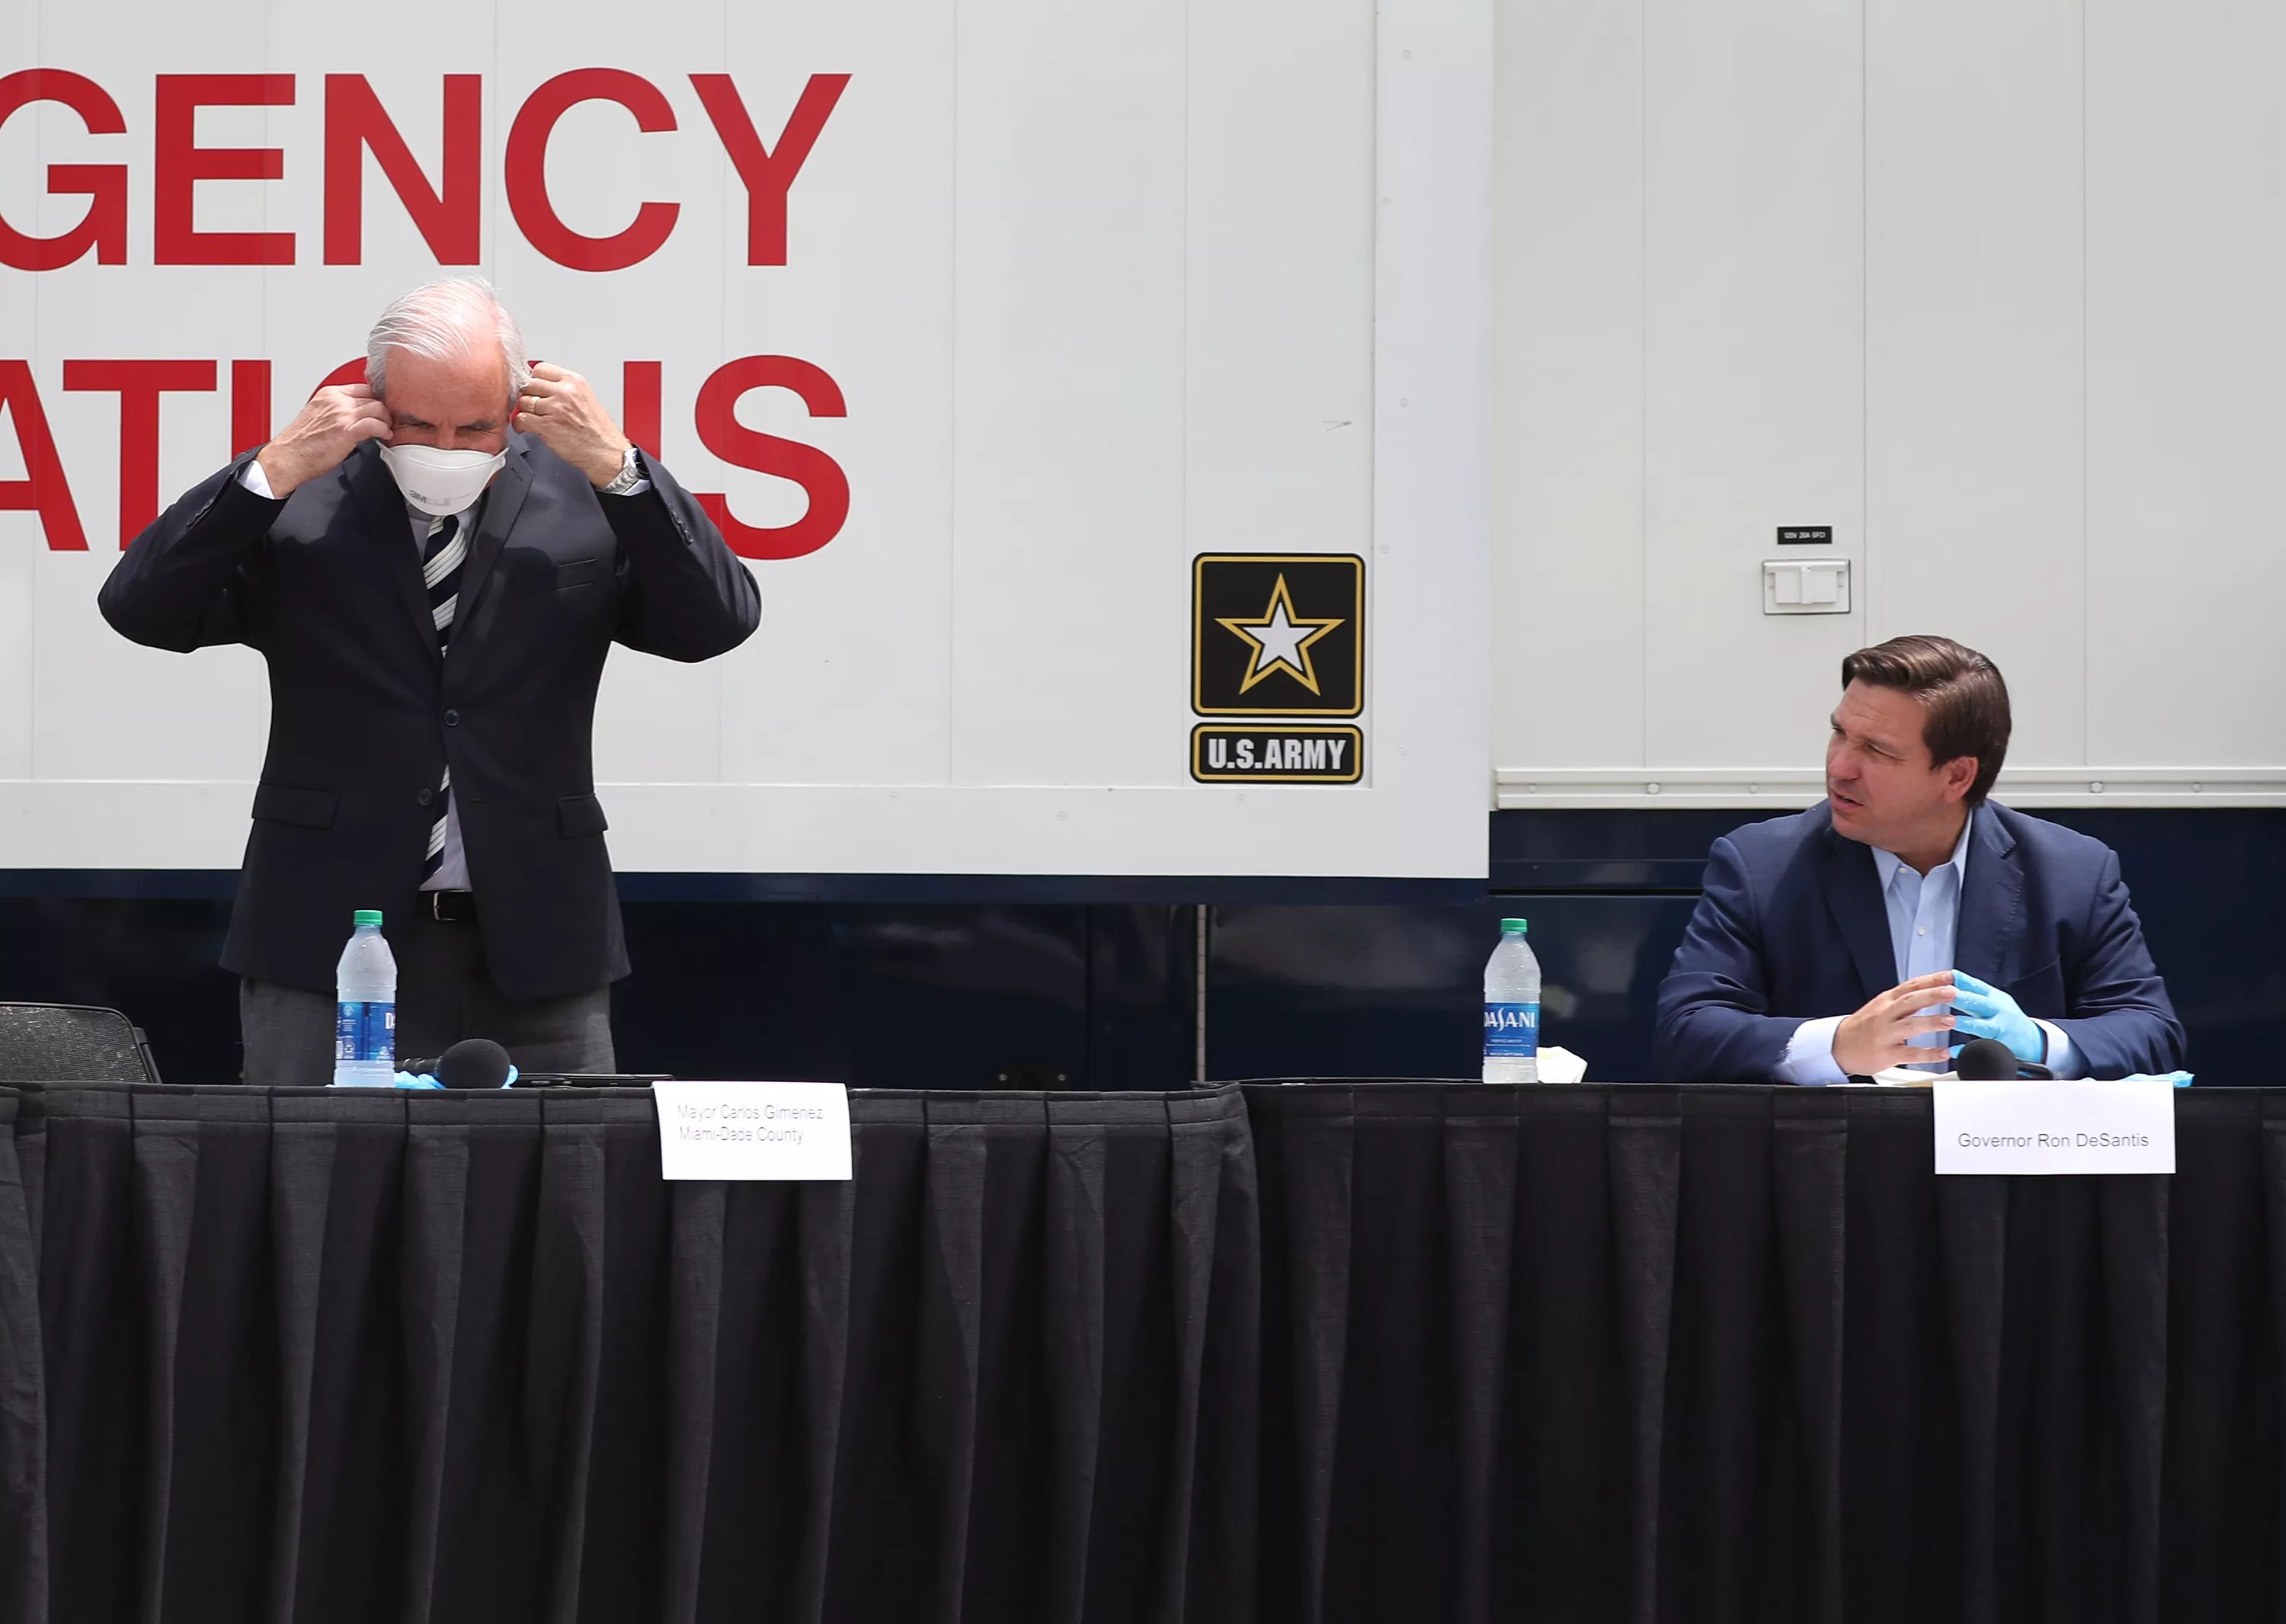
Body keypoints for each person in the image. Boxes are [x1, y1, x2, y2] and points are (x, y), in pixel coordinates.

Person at [98, 278, 761, 1084]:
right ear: (375, 399)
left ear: (516, 404)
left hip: (541, 946)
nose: (446, 447)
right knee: (310, 1163)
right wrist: (270, 471)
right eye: (418, 424)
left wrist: (622, 470)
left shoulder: (587, 493)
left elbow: (717, 622)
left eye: (475, 426)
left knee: (560, 1165)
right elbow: (142, 608)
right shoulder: (303, 496)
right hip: (324, 944)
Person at [1654, 635, 2184, 1083]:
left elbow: (2152, 1032)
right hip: (1833, 1161)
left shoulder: (2073, 871)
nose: (1840, 767)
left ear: (1957, 775)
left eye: (1877, 750)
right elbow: (1687, 1031)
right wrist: (1837, 1044)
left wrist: (2042, 1043)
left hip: (2003, 1161)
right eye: (1840, 733)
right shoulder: (1761, 865)